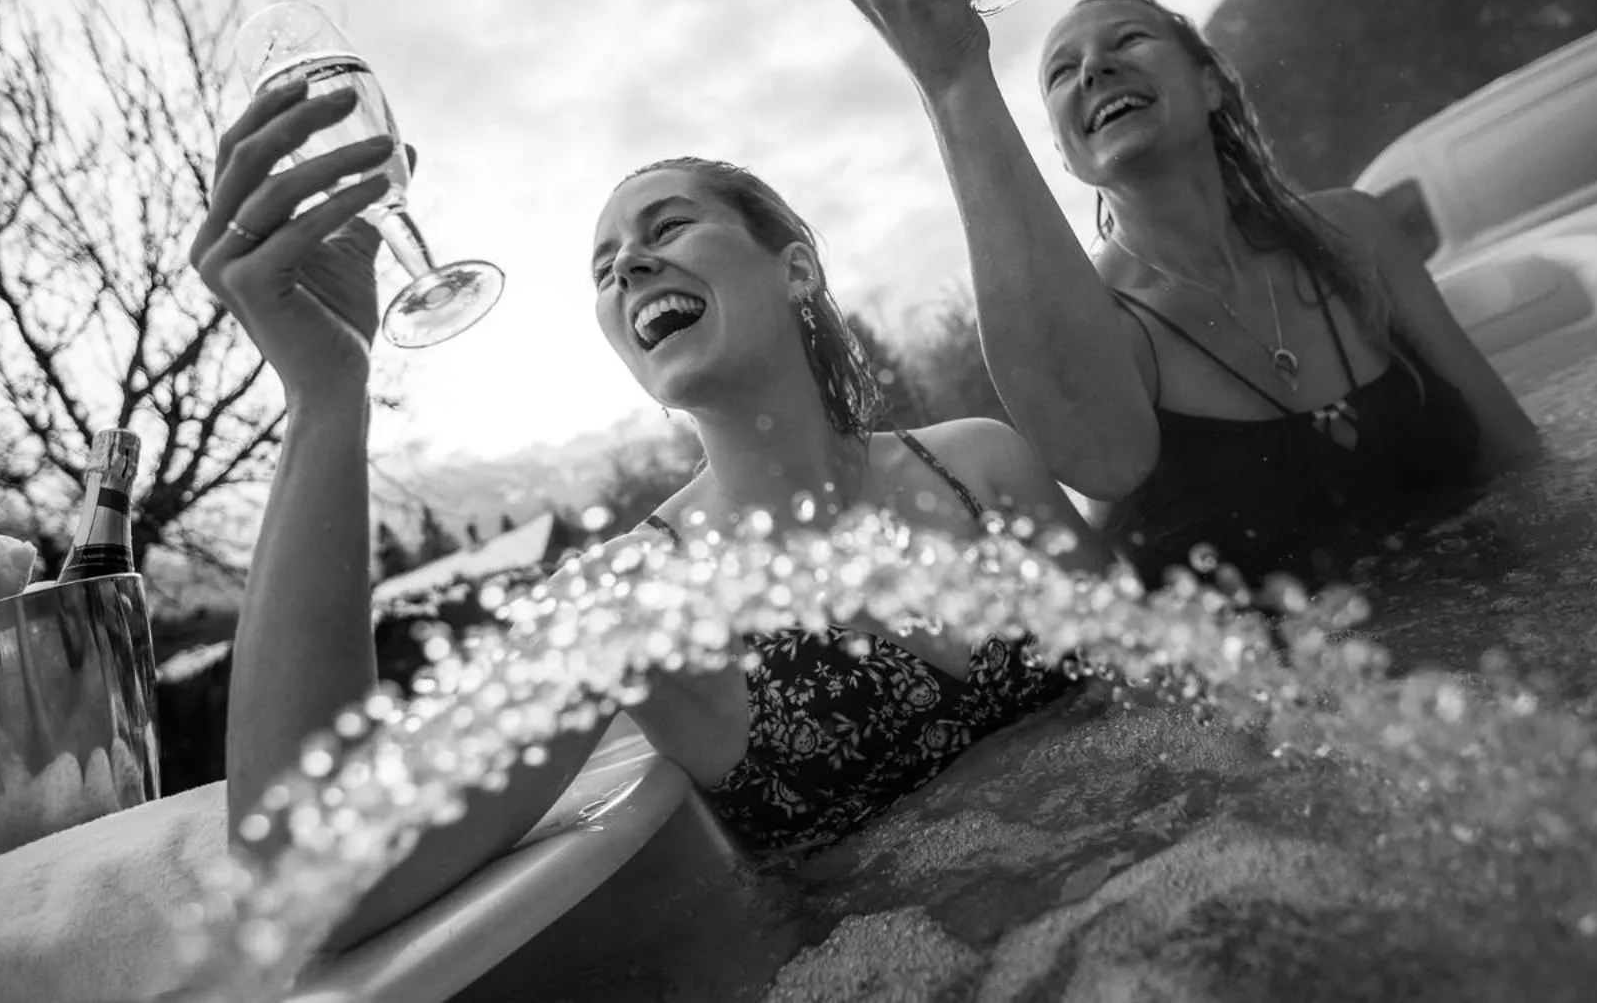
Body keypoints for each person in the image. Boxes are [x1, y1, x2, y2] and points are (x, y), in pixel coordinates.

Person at [189, 82, 1111, 949]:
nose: (629, 263)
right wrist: (324, 389)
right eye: (604, 268)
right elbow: (304, 886)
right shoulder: (630, 600)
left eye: (668, 225)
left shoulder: (978, 465)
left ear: (795, 269)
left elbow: (1148, 690)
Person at [836, 0, 1543, 590]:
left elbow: (1521, 459)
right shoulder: (1103, 328)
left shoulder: (1354, 233)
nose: (1096, 68)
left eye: (1128, 41)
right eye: (1062, 72)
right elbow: (1092, 453)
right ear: (1068, 156)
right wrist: (951, 76)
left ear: (1209, 83)